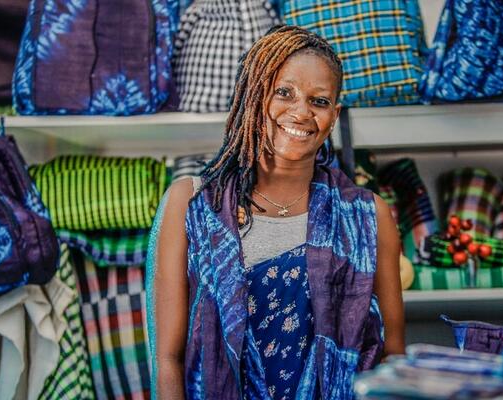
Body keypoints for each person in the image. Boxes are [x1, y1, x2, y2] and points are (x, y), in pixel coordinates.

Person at [146, 25, 405, 400]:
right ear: (254, 96)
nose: (301, 112)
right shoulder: (191, 204)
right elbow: (167, 360)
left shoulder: (367, 215)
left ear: (334, 115)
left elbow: (391, 355)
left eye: (319, 101)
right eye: (284, 92)